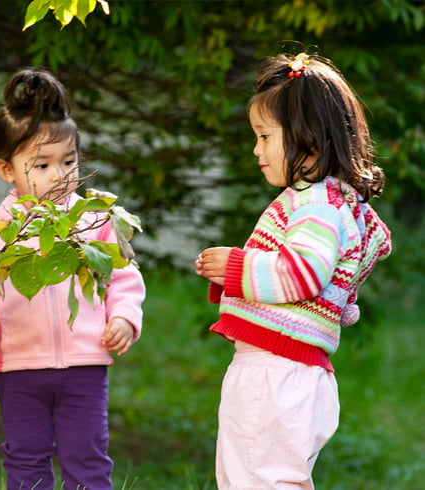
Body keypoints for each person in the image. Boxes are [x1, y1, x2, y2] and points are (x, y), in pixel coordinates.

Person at [195, 52, 392, 489]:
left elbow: (301, 274)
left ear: (308, 140)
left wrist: (236, 267)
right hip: (292, 371)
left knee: (254, 478)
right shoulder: (334, 204)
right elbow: (331, 280)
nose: (256, 149)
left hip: (275, 371)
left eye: (265, 136)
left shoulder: (315, 205)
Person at [0, 69, 147, 490]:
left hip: (84, 364)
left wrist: (124, 317)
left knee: (88, 457)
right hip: (20, 366)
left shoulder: (95, 220)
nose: (59, 175)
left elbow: (122, 275)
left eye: (69, 161)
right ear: (6, 169)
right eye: (41, 165)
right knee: (25, 457)